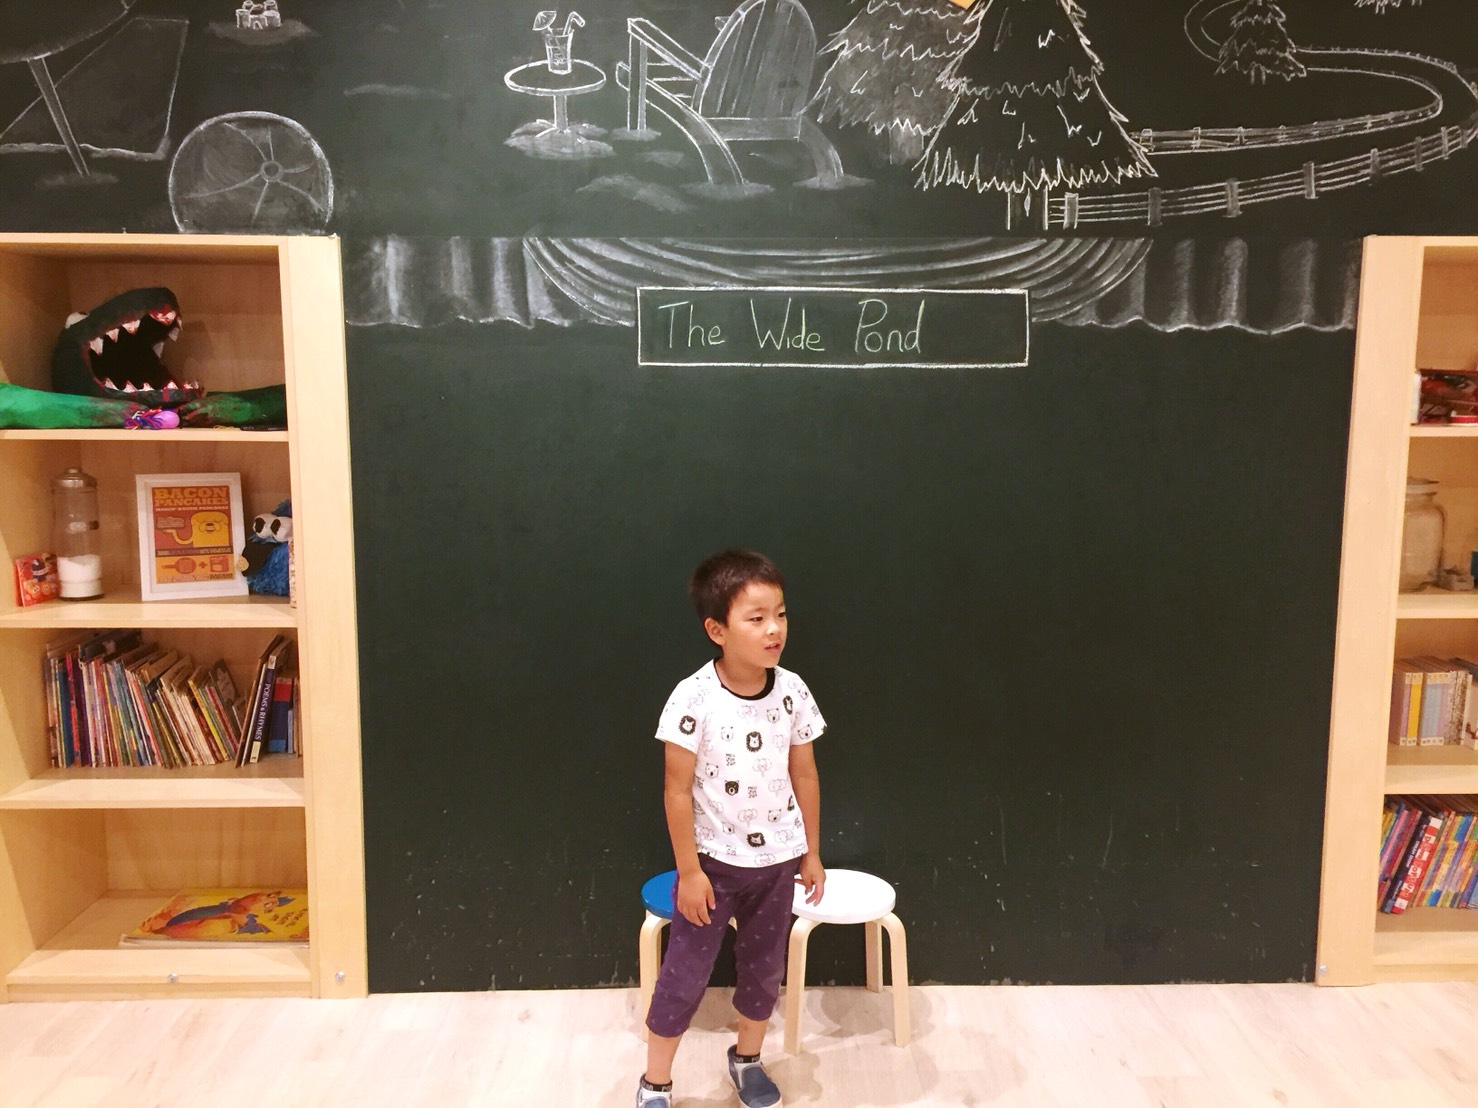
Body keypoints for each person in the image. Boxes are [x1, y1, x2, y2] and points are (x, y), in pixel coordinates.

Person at [637, 550, 826, 1108]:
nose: (774, 629)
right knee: (684, 977)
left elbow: (805, 773)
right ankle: (655, 1082)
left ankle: (746, 1060)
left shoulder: (792, 690)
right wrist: (690, 871)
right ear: (717, 630)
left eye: (781, 614)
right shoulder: (692, 697)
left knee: (764, 973)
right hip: (713, 867)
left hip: (778, 865)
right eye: (757, 617)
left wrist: (811, 852)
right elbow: (675, 791)